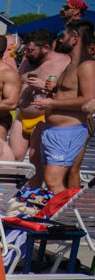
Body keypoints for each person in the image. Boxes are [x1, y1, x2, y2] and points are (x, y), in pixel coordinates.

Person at [32, 21, 95, 193]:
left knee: (53, 180)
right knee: (52, 179)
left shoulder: (87, 66)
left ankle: (64, 219)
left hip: (68, 132)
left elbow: (88, 100)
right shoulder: (70, 65)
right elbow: (69, 95)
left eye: (63, 36)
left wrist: (52, 103)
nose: (60, 40)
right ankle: (57, 215)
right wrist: (51, 92)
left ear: (75, 38)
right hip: (55, 131)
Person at [10, 28, 70, 162]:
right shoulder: (27, 62)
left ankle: (34, 184)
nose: (26, 54)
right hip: (22, 115)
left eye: (31, 50)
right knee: (14, 156)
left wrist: (46, 86)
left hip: (43, 117)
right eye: (25, 50)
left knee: (35, 157)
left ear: (46, 48)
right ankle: (16, 184)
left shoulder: (63, 63)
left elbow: (70, 91)